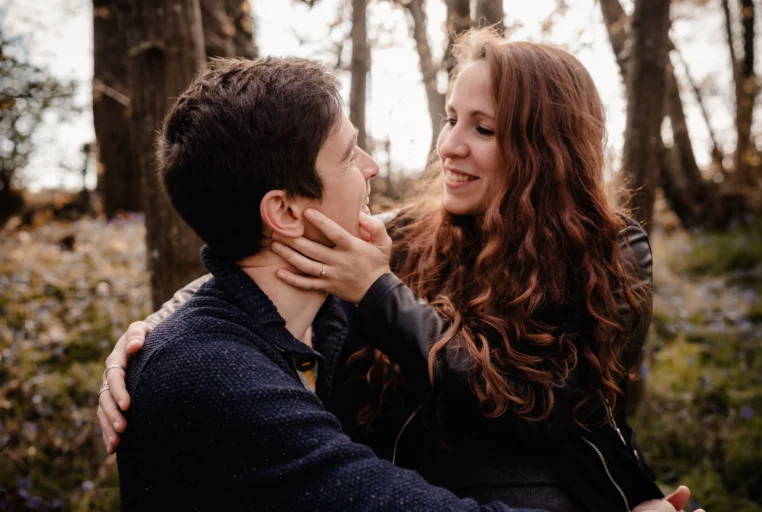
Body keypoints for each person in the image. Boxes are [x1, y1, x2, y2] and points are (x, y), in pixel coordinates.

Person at [99, 34, 703, 512]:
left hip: (540, 486)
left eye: (483, 128)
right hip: (402, 484)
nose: (450, 146)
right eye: (450, 118)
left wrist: (378, 295)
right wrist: (159, 331)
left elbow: (547, 405)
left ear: (547, 147)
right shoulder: (412, 230)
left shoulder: (610, 250)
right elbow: (263, 252)